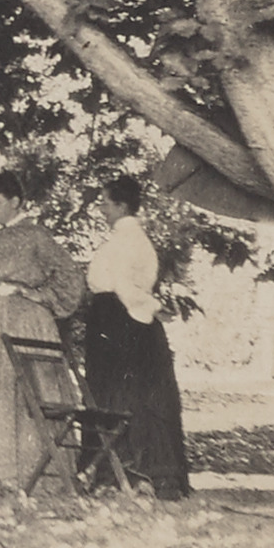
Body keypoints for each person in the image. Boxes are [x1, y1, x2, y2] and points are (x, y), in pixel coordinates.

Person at [0, 168, 87, 500]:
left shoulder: (36, 236)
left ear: (15, 202)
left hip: (28, 322)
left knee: (30, 393)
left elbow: (71, 278)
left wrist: (37, 295)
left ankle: (37, 475)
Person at [83, 177, 191, 499]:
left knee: (121, 395)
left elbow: (125, 287)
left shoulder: (128, 240)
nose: (101, 209)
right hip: (116, 318)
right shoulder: (128, 238)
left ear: (121, 206)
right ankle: (115, 472)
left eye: (105, 203)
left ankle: (126, 472)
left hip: (119, 321)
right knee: (120, 394)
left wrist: (153, 308)